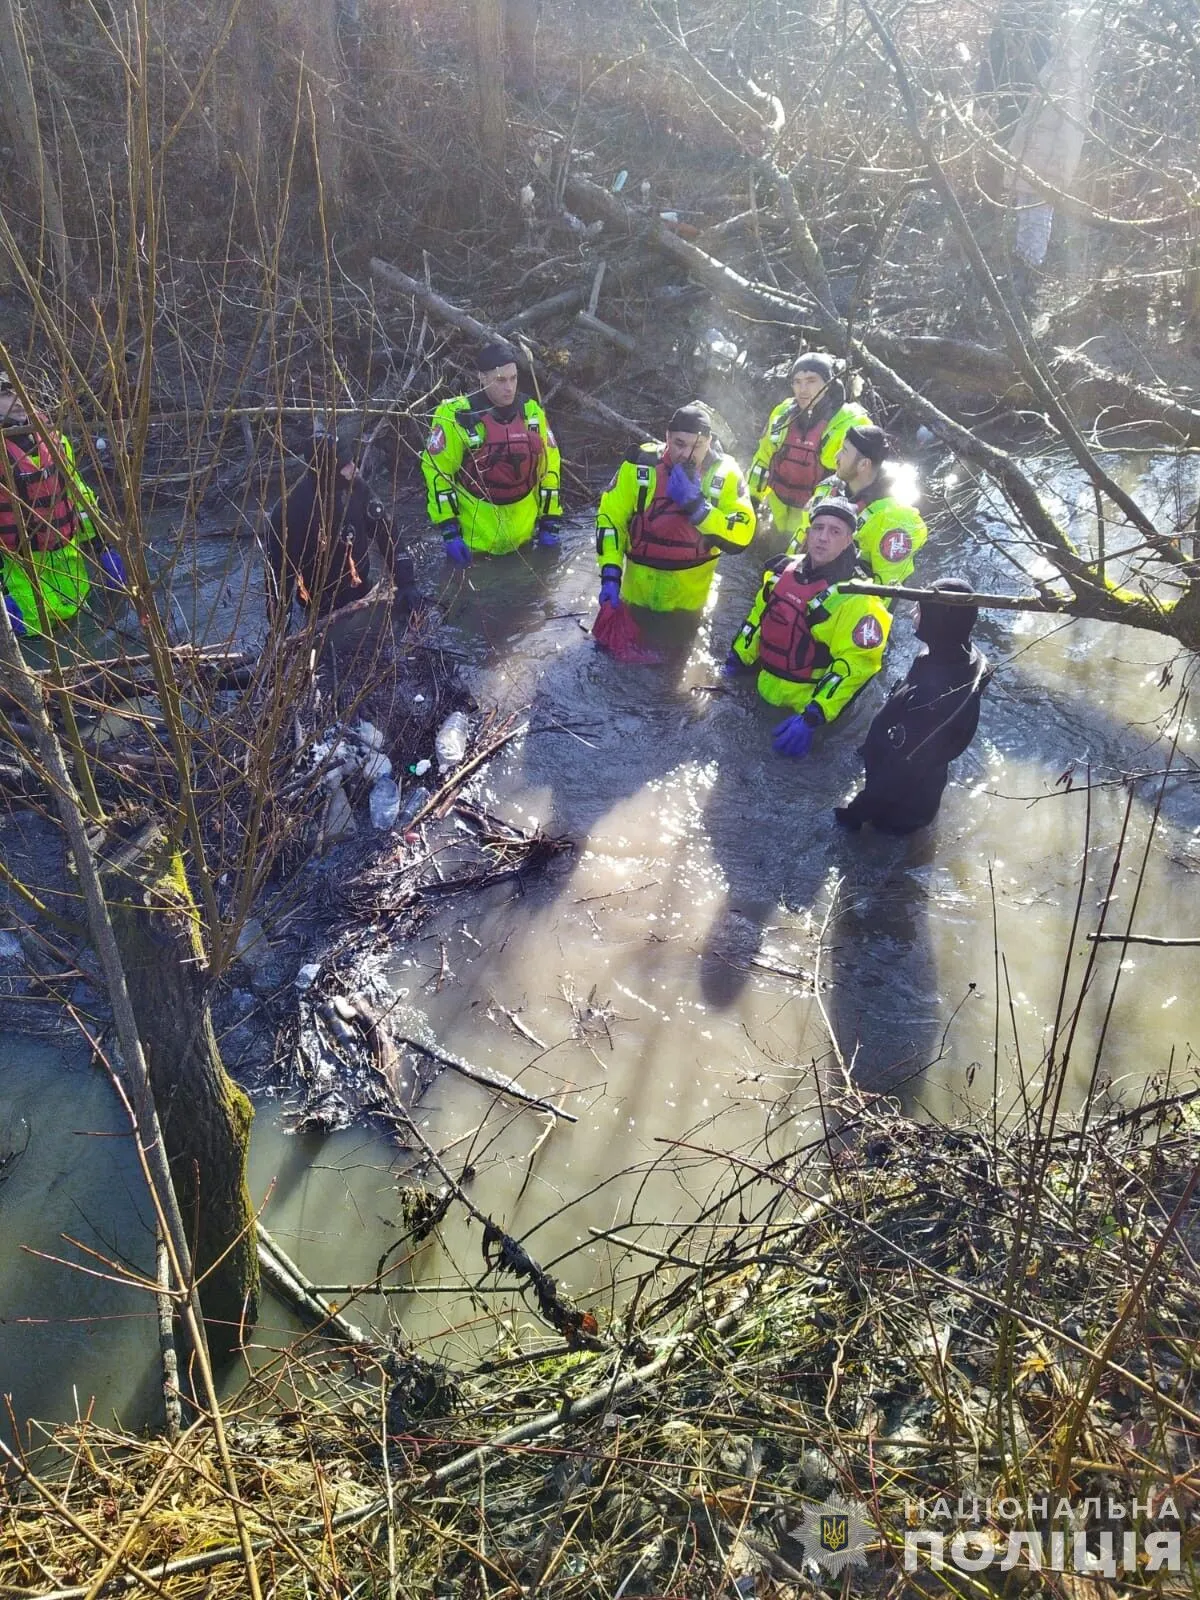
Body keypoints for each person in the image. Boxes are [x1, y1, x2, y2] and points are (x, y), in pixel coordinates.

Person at [726, 497, 891, 758]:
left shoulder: (859, 600)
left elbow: (856, 666)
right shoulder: (782, 570)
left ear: (848, 540)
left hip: (804, 712)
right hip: (763, 687)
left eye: (835, 531)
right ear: (809, 531)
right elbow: (757, 619)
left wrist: (814, 716)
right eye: (818, 527)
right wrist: (736, 660)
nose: (823, 537)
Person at [835, 578, 989, 833]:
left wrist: (854, 814)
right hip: (922, 782)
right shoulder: (967, 657)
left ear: (939, 621)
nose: (911, 614)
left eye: (919, 610)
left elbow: (901, 772)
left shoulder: (932, 700)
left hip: (899, 812)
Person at [595, 402, 755, 616]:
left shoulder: (726, 474)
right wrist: (610, 573)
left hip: (689, 605)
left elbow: (743, 534)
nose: (686, 454)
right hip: (636, 596)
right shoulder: (639, 466)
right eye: (679, 444)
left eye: (697, 446)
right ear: (667, 437)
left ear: (709, 442)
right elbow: (610, 519)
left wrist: (698, 507)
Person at [0, 375, 126, 638]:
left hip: (68, 561)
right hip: (19, 570)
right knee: (36, 637)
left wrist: (101, 545)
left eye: (20, 392)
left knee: (78, 627)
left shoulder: (53, 439)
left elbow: (77, 495)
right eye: (6, 395)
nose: (19, 400)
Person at [422, 341, 562, 564]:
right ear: (482, 377)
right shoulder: (454, 416)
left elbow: (549, 468)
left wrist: (550, 521)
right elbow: (438, 473)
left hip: (524, 542)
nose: (509, 388)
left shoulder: (531, 413)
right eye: (500, 380)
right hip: (475, 546)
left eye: (513, 378)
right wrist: (449, 530)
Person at [264, 430, 419, 622]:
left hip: (363, 594)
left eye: (352, 461)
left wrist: (406, 582)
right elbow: (278, 575)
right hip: (318, 609)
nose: (355, 469)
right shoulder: (291, 510)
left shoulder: (357, 488)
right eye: (346, 465)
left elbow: (386, 532)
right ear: (326, 471)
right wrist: (279, 623)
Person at [747, 353, 871, 540]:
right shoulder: (782, 413)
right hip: (777, 507)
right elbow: (763, 459)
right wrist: (751, 499)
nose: (803, 389)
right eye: (797, 382)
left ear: (829, 383)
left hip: (819, 518)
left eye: (811, 381)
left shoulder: (852, 422)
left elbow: (861, 483)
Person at [784, 424, 927, 586]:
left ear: (863, 464)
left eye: (844, 451)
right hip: (797, 582)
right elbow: (803, 537)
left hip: (838, 599)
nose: (836, 456)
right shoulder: (828, 488)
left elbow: (884, 590)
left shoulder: (896, 520)